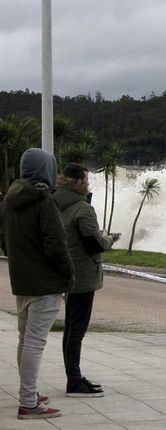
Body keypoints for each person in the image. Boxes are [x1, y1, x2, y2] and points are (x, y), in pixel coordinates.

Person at [0, 148, 74, 419]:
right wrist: (68, 277)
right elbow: (57, 245)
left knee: (25, 340)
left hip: (22, 281)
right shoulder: (44, 201)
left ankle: (28, 393)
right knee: (35, 342)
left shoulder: (9, 200)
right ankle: (28, 402)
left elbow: (4, 243)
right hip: (45, 283)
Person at [55, 163, 119, 397]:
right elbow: (93, 243)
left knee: (71, 328)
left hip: (68, 274)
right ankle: (74, 382)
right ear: (78, 182)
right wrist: (109, 240)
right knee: (77, 330)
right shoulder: (83, 208)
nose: (88, 184)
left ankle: (74, 376)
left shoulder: (57, 204)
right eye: (86, 180)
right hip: (83, 276)